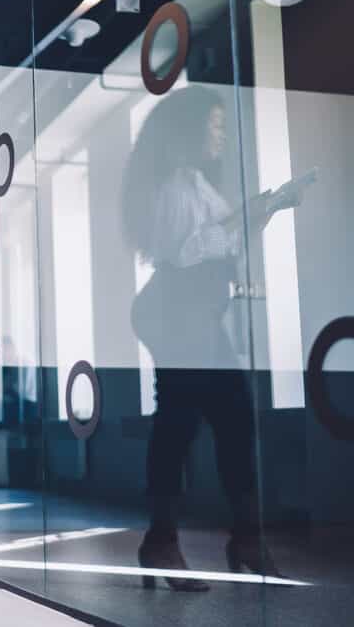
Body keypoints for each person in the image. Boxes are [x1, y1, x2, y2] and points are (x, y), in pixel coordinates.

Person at [123, 86, 283, 591]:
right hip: (175, 311)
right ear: (187, 132)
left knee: (232, 419)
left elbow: (224, 242)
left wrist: (264, 210)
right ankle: (163, 542)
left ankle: (241, 539)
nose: (219, 134)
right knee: (179, 425)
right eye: (212, 126)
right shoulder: (174, 186)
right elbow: (190, 251)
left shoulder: (195, 182)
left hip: (192, 313)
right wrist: (245, 217)